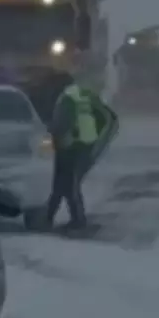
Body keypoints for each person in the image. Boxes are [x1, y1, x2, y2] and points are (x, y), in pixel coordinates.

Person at [43, 71, 111, 232]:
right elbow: (102, 118)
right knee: (67, 184)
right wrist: (94, 138)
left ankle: (74, 220)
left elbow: (62, 122)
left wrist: (55, 134)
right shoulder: (83, 94)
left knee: (65, 184)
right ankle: (55, 218)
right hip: (84, 145)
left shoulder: (67, 98)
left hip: (69, 146)